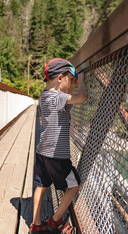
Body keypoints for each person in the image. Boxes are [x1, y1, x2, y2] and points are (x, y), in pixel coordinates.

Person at [29, 58, 87, 234]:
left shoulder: (44, 96)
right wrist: (83, 80)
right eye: (71, 80)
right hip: (57, 156)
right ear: (60, 78)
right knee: (74, 184)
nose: (72, 85)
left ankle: (36, 224)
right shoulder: (58, 97)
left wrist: (74, 81)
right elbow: (82, 97)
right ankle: (55, 221)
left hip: (42, 152)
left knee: (42, 185)